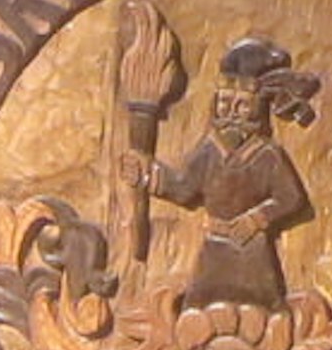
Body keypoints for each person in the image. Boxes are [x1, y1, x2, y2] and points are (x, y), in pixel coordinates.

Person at [125, 36, 321, 312]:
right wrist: (148, 176)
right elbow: (184, 189)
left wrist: (257, 219)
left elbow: (291, 199)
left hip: (252, 247)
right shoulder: (209, 151)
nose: (231, 114)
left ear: (257, 108)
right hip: (215, 246)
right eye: (225, 104)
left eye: (241, 106)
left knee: (261, 308)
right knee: (201, 308)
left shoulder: (266, 155)